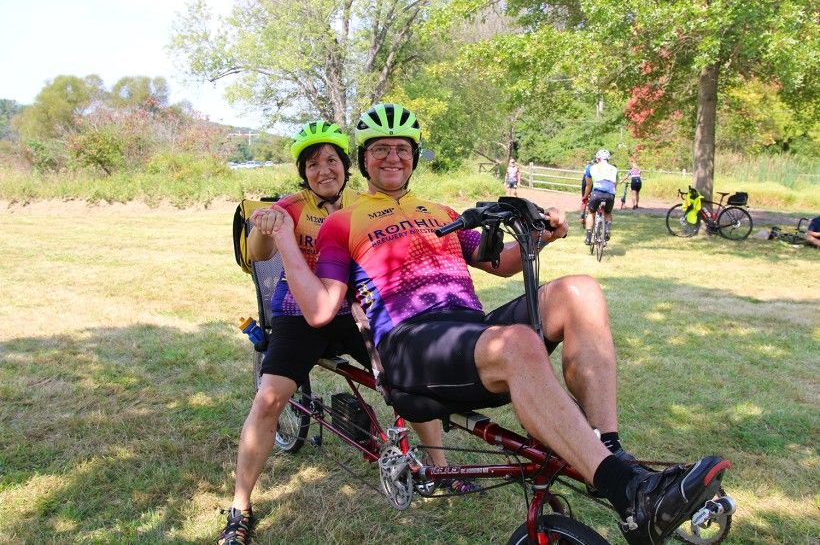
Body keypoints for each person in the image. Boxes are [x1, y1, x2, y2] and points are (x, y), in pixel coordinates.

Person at [266, 104, 730, 545]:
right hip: (409, 345)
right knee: (518, 342)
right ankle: (625, 489)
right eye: (380, 149)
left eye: (402, 149)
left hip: (467, 331)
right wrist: (285, 238)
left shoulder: (442, 213)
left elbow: (500, 263)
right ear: (364, 160)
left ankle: (609, 452)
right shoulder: (343, 221)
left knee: (579, 290)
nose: (392, 157)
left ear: (415, 158)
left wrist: (543, 235)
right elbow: (322, 310)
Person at [217, 121, 452, 545]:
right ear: (303, 172)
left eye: (331, 160)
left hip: (354, 311)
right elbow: (259, 255)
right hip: (298, 314)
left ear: (346, 166)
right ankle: (239, 505)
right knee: (269, 398)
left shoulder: (366, 203)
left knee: (407, 380)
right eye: (312, 164)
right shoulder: (288, 206)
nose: (323, 170)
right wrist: (263, 228)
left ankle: (440, 468)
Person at [583, 149, 618, 245]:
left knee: (591, 213)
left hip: (596, 193)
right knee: (607, 213)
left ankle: (589, 237)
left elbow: (588, 185)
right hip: (610, 195)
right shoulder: (614, 169)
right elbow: (615, 184)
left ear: (598, 159)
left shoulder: (592, 168)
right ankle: (606, 230)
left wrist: (585, 196)